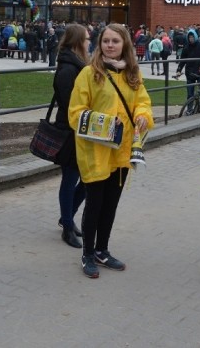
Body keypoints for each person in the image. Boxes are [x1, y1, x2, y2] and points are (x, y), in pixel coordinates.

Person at [69, 23, 154, 279]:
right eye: (106, 40)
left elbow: (143, 103)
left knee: (110, 205)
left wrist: (142, 116)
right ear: (99, 43)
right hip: (95, 152)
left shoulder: (132, 74)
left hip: (122, 152)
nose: (110, 45)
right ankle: (88, 253)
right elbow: (76, 112)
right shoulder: (89, 73)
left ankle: (102, 250)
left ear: (124, 44)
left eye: (115, 41)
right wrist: (104, 122)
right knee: (94, 204)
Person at [52, 24, 89, 249]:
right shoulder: (68, 69)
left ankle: (68, 216)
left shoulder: (78, 65)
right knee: (70, 179)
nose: (89, 43)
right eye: (86, 39)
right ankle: (67, 225)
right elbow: (69, 105)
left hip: (82, 131)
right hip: (71, 132)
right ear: (77, 42)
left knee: (87, 179)